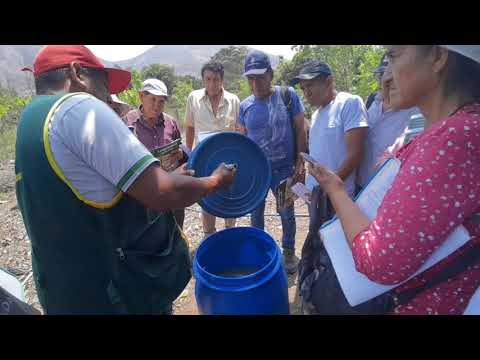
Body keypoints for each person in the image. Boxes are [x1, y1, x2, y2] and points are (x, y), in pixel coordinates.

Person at [16, 45, 236, 315]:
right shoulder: (79, 107)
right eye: (104, 83)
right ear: (77, 73)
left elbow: (90, 189)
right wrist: (213, 181)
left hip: (66, 292)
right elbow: (162, 193)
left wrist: (164, 177)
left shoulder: (31, 119)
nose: (107, 95)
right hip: (112, 293)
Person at [306, 45, 480, 315]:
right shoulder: (457, 129)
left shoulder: (454, 138)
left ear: (437, 56)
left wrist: (335, 189)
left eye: (394, 55)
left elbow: (379, 262)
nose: (388, 72)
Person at [236, 50, 307, 274]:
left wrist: (300, 162)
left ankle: (288, 252)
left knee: (286, 213)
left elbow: (300, 129)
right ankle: (260, 253)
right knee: (255, 214)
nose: (255, 82)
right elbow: (242, 141)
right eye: (251, 78)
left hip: (284, 170)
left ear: (271, 74)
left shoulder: (288, 95)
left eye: (260, 77)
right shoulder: (244, 106)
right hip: (256, 172)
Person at [292, 60, 368, 200]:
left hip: (340, 196)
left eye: (310, 85)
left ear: (329, 81)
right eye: (303, 88)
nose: (306, 93)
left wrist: (329, 187)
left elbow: (356, 154)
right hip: (315, 195)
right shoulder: (316, 115)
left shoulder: (349, 103)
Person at [185, 61, 239, 238]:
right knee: (206, 195)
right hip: (204, 158)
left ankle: (229, 234)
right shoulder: (193, 98)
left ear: (222, 80)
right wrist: (189, 154)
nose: (211, 84)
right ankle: (209, 236)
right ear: (203, 80)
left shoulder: (233, 100)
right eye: (207, 79)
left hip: (229, 159)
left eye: (215, 79)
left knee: (229, 195)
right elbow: (190, 127)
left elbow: (239, 130)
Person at [123, 78, 188, 228]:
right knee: (148, 235)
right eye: (152, 99)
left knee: (176, 230)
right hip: (142, 194)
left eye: (161, 102)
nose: (156, 106)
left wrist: (181, 154)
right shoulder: (127, 122)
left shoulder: (170, 122)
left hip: (172, 188)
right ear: (141, 96)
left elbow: (183, 151)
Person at [357, 57, 421, 188]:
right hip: (360, 183)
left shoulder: (415, 110)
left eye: (393, 76)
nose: (386, 82)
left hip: (386, 187)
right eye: (382, 75)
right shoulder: (371, 101)